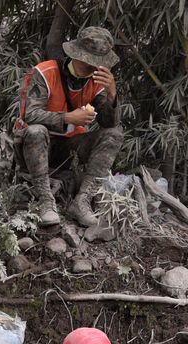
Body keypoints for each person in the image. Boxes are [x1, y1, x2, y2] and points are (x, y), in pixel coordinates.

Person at [14, 27, 122, 227]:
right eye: (87, 59)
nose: (90, 65)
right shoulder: (45, 72)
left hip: (68, 148)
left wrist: (112, 95)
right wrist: (68, 117)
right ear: (75, 54)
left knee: (114, 135)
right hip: (34, 146)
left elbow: (109, 123)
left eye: (95, 61)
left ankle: (82, 201)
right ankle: (46, 201)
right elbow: (29, 114)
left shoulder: (97, 82)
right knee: (36, 130)